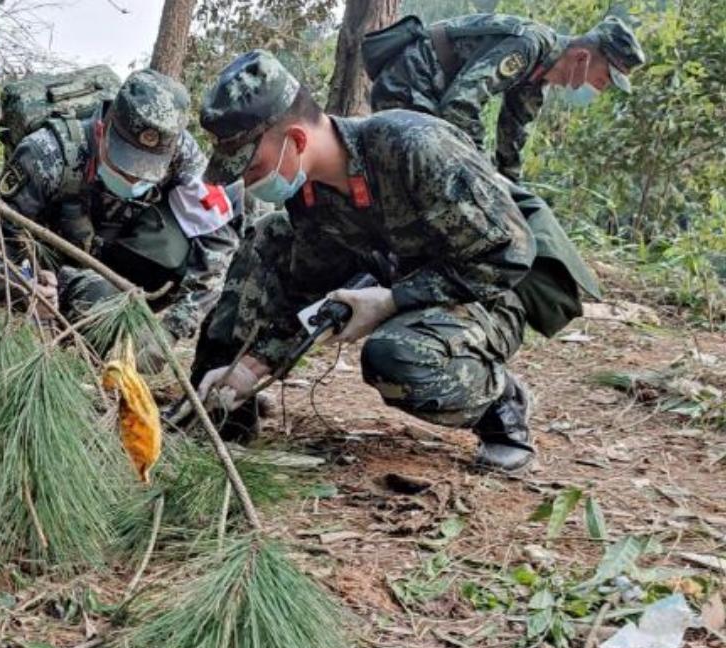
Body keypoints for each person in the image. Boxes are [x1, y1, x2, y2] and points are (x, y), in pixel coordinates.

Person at [190, 50, 602, 472]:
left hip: (492, 289)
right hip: (400, 275)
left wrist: (391, 301)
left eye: (252, 166)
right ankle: (218, 404)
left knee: (396, 357)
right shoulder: (308, 196)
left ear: (296, 141)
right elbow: (306, 291)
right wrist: (251, 367)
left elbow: (509, 255)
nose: (248, 180)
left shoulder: (414, 146)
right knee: (270, 234)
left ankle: (501, 405)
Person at [0, 69, 239, 364]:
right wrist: (24, 290)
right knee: (98, 302)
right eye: (124, 165)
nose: (133, 179)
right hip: (57, 268)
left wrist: (171, 330)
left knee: (212, 259)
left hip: (126, 256)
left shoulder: (183, 155)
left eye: (147, 172)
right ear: (102, 131)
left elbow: (218, 243)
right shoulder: (46, 155)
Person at [362, 14, 645, 181]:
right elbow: (460, 106)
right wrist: (483, 173)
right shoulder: (529, 45)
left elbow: (512, 139)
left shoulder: (537, 79)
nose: (600, 88)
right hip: (409, 84)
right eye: (603, 78)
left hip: (431, 97)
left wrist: (512, 192)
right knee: (423, 179)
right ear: (582, 57)